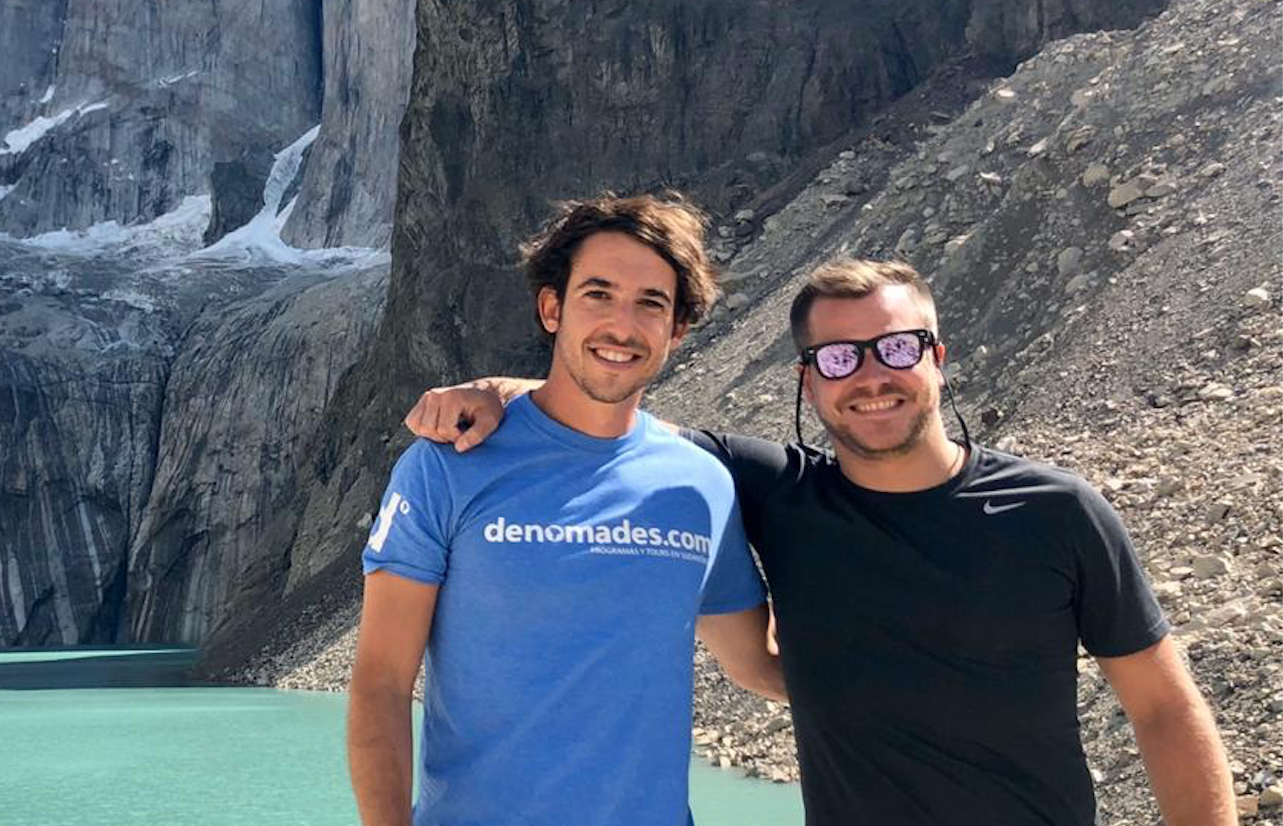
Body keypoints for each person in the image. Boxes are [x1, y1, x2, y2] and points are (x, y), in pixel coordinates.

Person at [407, 257, 1238, 826]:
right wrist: (493, 389)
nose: (870, 376)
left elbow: (1164, 710)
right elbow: (607, 412)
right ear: (809, 379)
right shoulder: (775, 492)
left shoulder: (1057, 512)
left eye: (897, 348)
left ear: (938, 359)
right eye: (839, 357)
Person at [348, 193, 786, 826]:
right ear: (552, 308)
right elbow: (382, 682)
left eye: (651, 303)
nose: (622, 325)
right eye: (598, 294)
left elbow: (760, 665)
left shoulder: (702, 487)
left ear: (677, 330)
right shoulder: (449, 464)